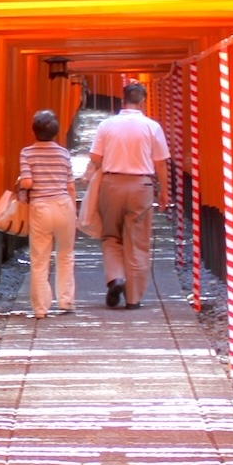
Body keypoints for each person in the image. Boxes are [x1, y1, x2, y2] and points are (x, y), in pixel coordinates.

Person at [88, 82, 170, 309]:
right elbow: (160, 164)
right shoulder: (151, 127)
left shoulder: (107, 125)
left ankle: (116, 278)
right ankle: (133, 299)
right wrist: (164, 192)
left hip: (111, 184)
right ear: (143, 101)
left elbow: (95, 157)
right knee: (138, 242)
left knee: (111, 235)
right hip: (141, 186)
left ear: (122, 100)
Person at [16, 109, 77, 318]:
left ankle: (41, 308)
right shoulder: (63, 154)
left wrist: (20, 183)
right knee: (65, 254)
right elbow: (70, 186)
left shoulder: (27, 153)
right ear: (56, 131)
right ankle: (66, 300)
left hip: (41, 207)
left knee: (40, 259)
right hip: (63, 205)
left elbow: (27, 182)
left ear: (34, 131)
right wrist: (74, 213)